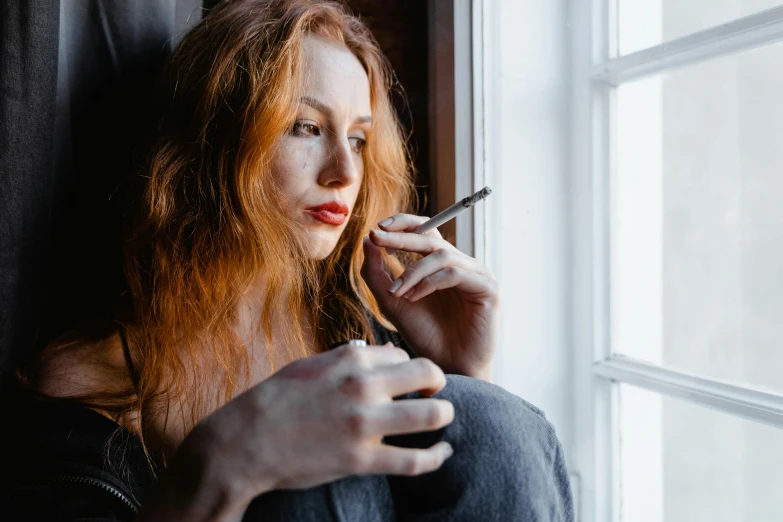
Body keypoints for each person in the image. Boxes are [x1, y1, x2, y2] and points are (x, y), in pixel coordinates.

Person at [0, 0, 574, 520]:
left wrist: (458, 377)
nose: (345, 175)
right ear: (214, 141)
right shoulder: (95, 383)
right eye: (305, 127)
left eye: (356, 139)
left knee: (496, 419)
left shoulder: (362, 337)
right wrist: (223, 464)